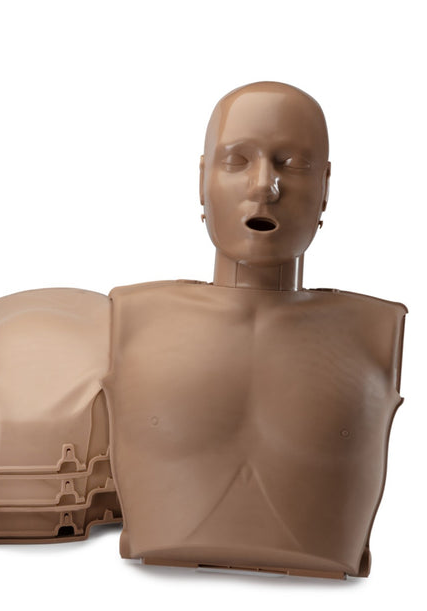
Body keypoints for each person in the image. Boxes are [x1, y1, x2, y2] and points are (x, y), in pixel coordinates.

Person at [105, 82, 405, 577]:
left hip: (326, 608)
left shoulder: (376, 331)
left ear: (326, 188)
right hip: (157, 593)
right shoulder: (132, 316)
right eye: (237, 160)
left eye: (293, 164)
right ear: (202, 180)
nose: (265, 186)